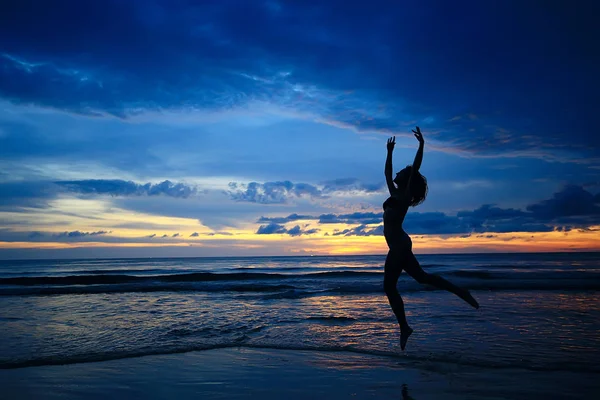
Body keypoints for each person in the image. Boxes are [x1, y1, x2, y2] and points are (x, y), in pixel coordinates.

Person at [383, 127, 479, 350]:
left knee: (390, 287)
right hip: (400, 244)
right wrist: (389, 152)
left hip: (399, 246)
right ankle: (459, 291)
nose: (397, 173)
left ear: (407, 179)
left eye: (402, 172)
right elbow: (387, 174)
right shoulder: (394, 194)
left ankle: (405, 327)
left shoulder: (404, 196)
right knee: (422, 278)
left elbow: (415, 167)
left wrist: (421, 145)